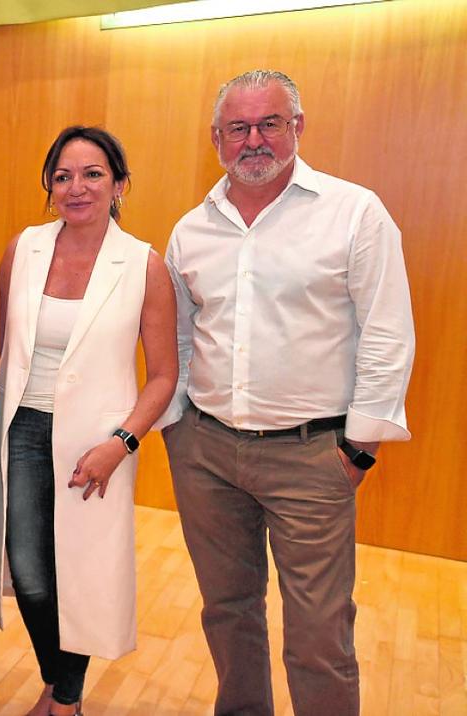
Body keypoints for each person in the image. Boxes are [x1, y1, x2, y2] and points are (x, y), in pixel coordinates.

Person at [163, 69, 415, 716]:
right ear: (216, 138)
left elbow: (387, 332)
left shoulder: (355, 212)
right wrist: (180, 430)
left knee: (319, 637)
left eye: (269, 123)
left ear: (297, 127)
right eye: (238, 128)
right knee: (227, 614)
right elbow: (185, 341)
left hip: (312, 458)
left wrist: (358, 447)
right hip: (207, 454)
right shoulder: (192, 230)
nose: (254, 140)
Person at [0, 126, 178, 716]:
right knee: (31, 574)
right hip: (22, 432)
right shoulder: (26, 248)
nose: (77, 187)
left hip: (96, 444)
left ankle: (65, 699)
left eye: (92, 174)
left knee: (82, 574)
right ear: (49, 185)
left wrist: (123, 442)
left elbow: (163, 374)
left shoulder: (143, 264)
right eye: (63, 176)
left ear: (118, 184)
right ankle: (57, 678)